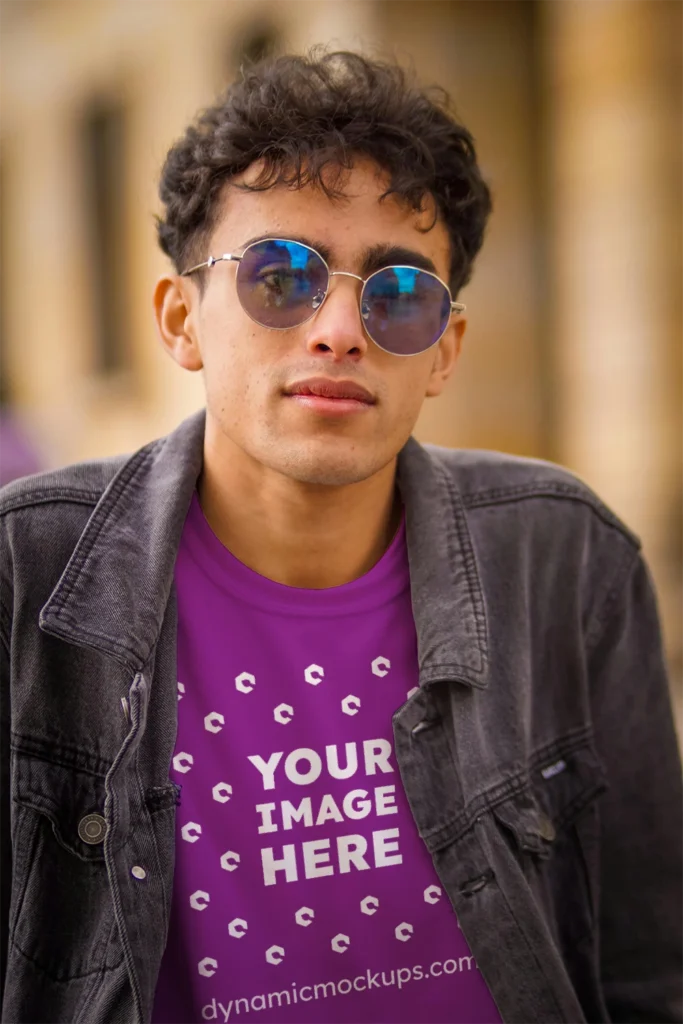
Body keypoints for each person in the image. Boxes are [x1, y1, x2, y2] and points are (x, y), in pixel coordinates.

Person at [0, 50, 681, 1024]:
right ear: (180, 318)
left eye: (398, 293)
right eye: (280, 276)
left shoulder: (563, 557)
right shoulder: (26, 573)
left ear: (442, 348)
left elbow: (645, 973)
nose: (338, 328)